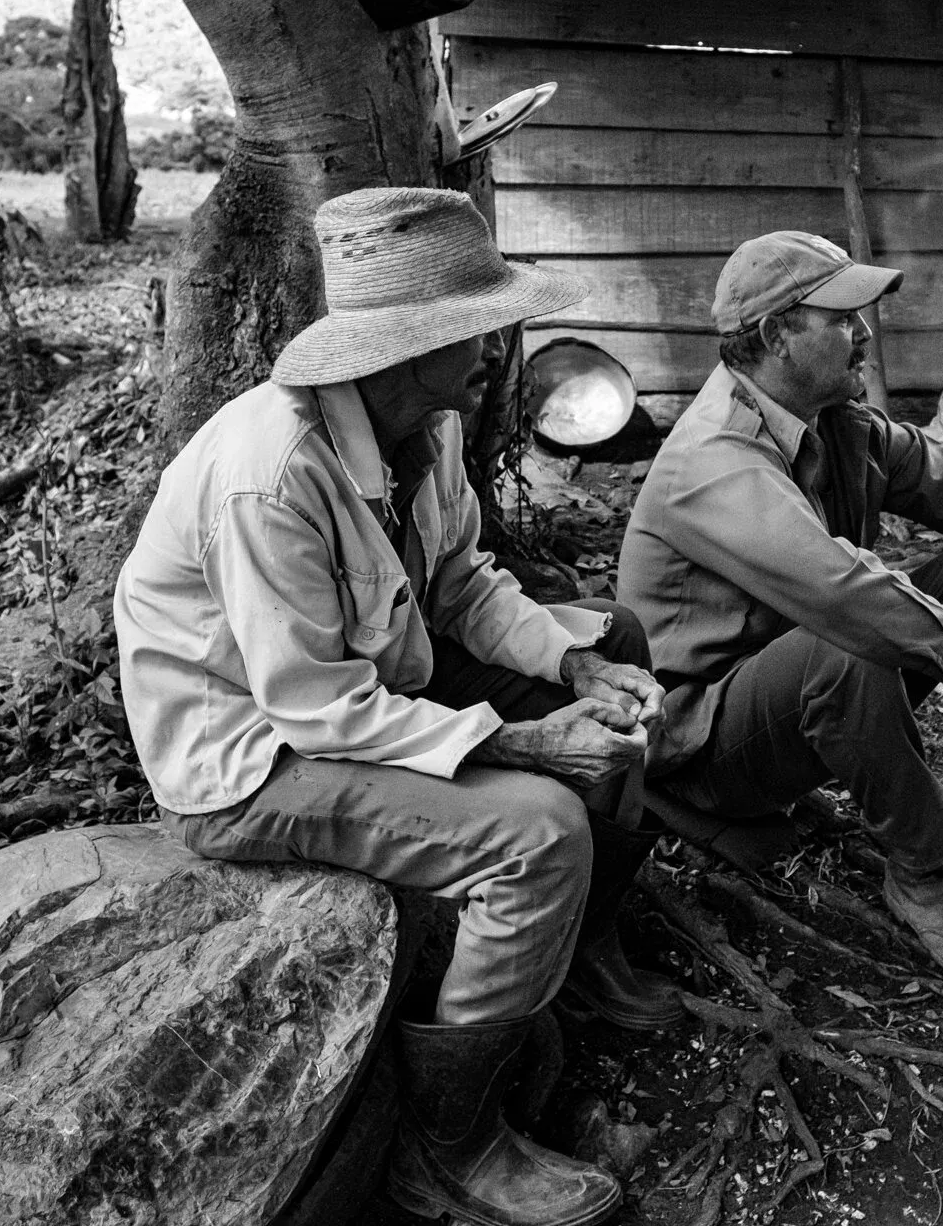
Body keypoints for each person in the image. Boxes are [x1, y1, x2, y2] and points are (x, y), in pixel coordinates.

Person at [114, 188, 676, 1226]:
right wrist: (525, 745)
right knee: (540, 832)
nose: (499, 350)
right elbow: (318, 710)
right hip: (252, 760)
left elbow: (460, 582)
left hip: (367, 693)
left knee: (613, 638)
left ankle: (579, 950)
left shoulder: (430, 419)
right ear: (402, 346)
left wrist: (571, 667)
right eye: (477, 329)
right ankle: (448, 1147)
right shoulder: (270, 475)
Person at [617, 230, 943, 1001]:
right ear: (777, 336)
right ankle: (925, 871)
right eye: (842, 317)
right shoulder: (710, 460)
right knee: (848, 643)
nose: (864, 333)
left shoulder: (839, 423)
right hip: (714, 750)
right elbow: (848, 597)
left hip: (809, 698)